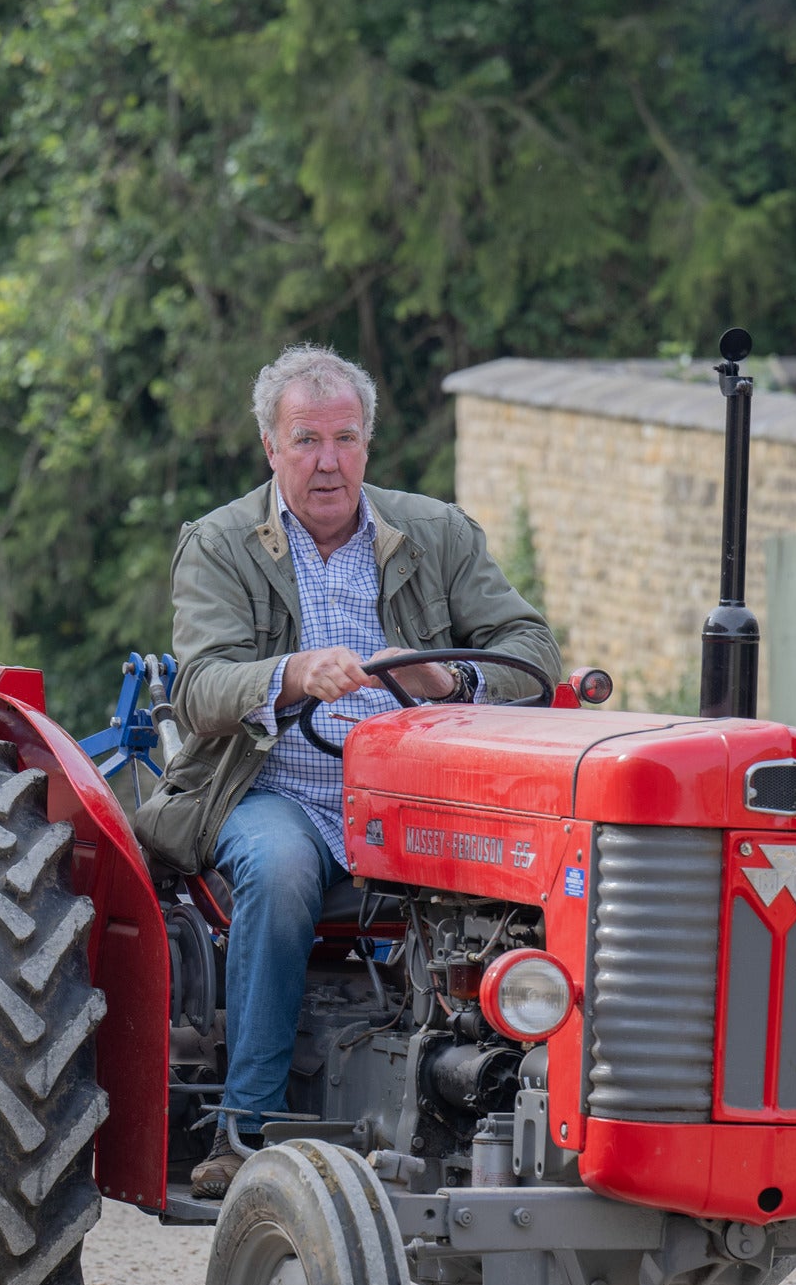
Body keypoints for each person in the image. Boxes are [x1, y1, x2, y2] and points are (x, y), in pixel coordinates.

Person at [127, 345, 558, 1199]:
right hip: (268, 788)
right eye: (306, 440)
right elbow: (203, 688)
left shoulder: (435, 534)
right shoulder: (218, 545)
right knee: (282, 868)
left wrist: (449, 679)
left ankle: (514, 1111)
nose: (328, 461)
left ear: (367, 445)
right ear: (270, 448)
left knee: (536, 881)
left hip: (413, 800)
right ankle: (245, 1130)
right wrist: (289, 674)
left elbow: (533, 655)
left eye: (345, 439)